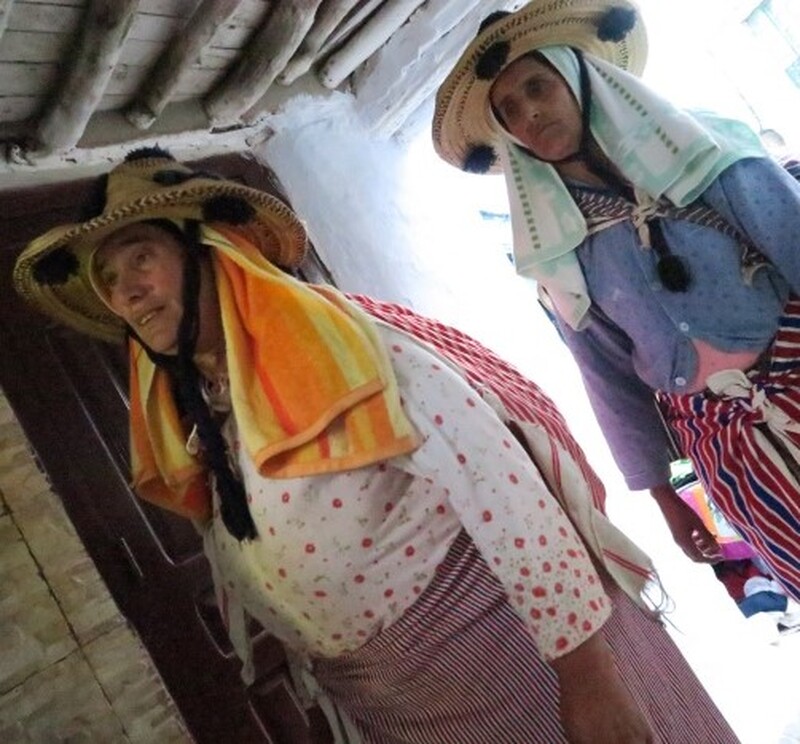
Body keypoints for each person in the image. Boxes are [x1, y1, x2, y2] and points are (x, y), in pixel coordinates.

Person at [13, 147, 739, 743]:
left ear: (209, 250)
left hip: (511, 655)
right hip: (412, 706)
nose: (126, 291)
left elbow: (497, 480)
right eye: (108, 281)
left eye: (139, 257)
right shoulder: (210, 421)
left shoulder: (349, 350)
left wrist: (587, 674)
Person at [433, 0, 800, 601]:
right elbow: (606, 376)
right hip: (729, 452)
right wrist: (663, 495)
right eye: (510, 110)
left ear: (577, 76)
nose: (529, 113)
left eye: (537, 87)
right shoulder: (557, 252)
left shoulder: (703, 150)